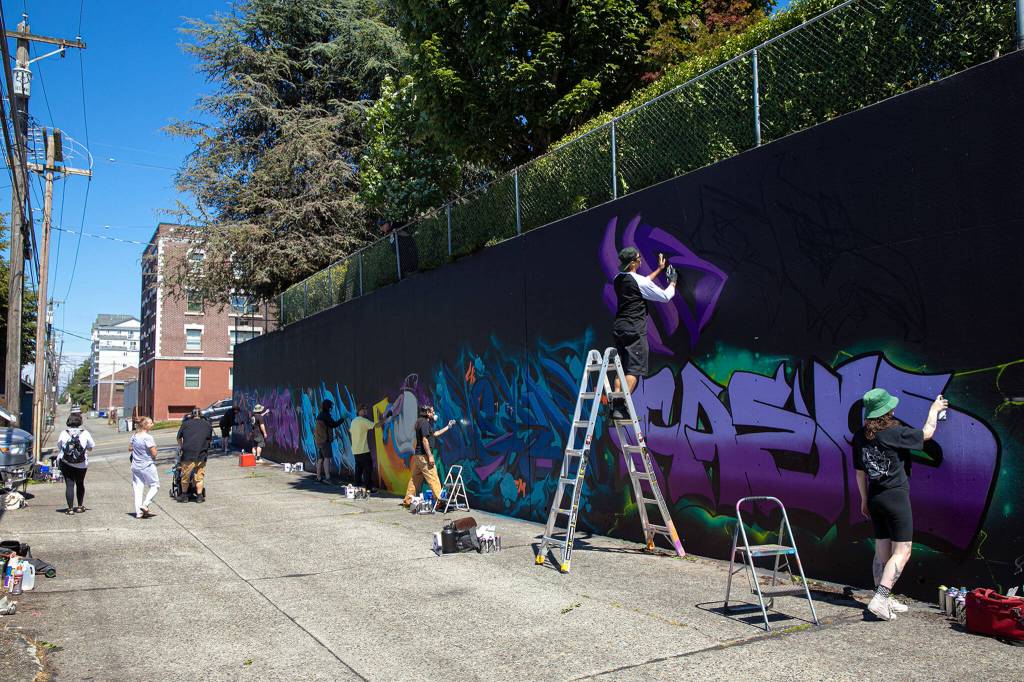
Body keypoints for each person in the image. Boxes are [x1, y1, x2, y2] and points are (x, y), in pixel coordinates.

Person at [854, 388, 947, 621]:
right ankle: (880, 599)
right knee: (903, 551)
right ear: (888, 410)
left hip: (874, 498)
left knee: (882, 549)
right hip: (895, 497)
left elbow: (859, 473)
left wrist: (864, 500)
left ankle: (882, 596)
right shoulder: (893, 432)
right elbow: (926, 434)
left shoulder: (860, 435)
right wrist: (934, 410)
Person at [610, 247, 678, 420]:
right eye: (638, 258)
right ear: (633, 263)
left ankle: (615, 407)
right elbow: (664, 297)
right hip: (634, 329)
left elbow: (642, 282)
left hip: (620, 328)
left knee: (623, 368)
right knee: (634, 369)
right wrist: (672, 282)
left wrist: (659, 270)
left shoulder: (618, 278)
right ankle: (620, 407)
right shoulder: (638, 281)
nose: (641, 260)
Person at [402, 405, 455, 507]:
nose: (434, 413)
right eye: (432, 411)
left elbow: (434, 434)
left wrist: (448, 427)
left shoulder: (421, 422)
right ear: (427, 412)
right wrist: (430, 455)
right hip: (424, 456)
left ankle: (407, 501)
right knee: (433, 478)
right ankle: (440, 502)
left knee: (414, 479)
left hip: (418, 456)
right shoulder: (424, 423)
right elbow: (425, 440)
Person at [56, 412, 95, 515]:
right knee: (80, 483)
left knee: (69, 485)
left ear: (69, 421)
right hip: (81, 464)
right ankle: (80, 506)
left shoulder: (64, 433)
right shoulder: (85, 433)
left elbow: (60, 447)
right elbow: (90, 447)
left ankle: (69, 509)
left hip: (66, 463)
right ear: (80, 421)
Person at [177, 408, 213, 502]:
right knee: (199, 477)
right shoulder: (207, 424)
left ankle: (184, 496)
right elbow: (209, 439)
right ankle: (199, 496)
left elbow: (178, 438)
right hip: (202, 454)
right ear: (200, 415)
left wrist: (182, 447)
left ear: (191, 415)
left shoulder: (185, 424)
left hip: (188, 454)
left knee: (185, 476)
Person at [129, 417, 161, 519]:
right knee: (155, 485)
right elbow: (154, 453)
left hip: (135, 465)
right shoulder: (148, 437)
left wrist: (138, 450)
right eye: (151, 423)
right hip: (147, 465)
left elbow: (130, 448)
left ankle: (139, 512)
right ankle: (145, 504)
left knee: (138, 488)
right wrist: (154, 453)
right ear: (145, 425)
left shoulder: (134, 436)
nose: (153, 424)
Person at [313, 400, 344, 483]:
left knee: (320, 459)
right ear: (328, 407)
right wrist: (343, 418)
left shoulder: (320, 415)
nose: (332, 408)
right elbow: (334, 424)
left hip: (319, 441)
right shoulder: (326, 416)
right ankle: (328, 478)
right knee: (326, 458)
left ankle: (318, 477)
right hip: (325, 441)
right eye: (331, 406)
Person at [349, 404, 377, 492]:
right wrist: (386, 418)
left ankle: (357, 486)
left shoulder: (353, 421)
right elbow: (376, 426)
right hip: (363, 450)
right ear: (359, 411)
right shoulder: (363, 421)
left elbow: (350, 432)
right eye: (363, 409)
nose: (365, 411)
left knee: (359, 469)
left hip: (355, 450)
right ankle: (369, 488)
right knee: (368, 469)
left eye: (366, 409)